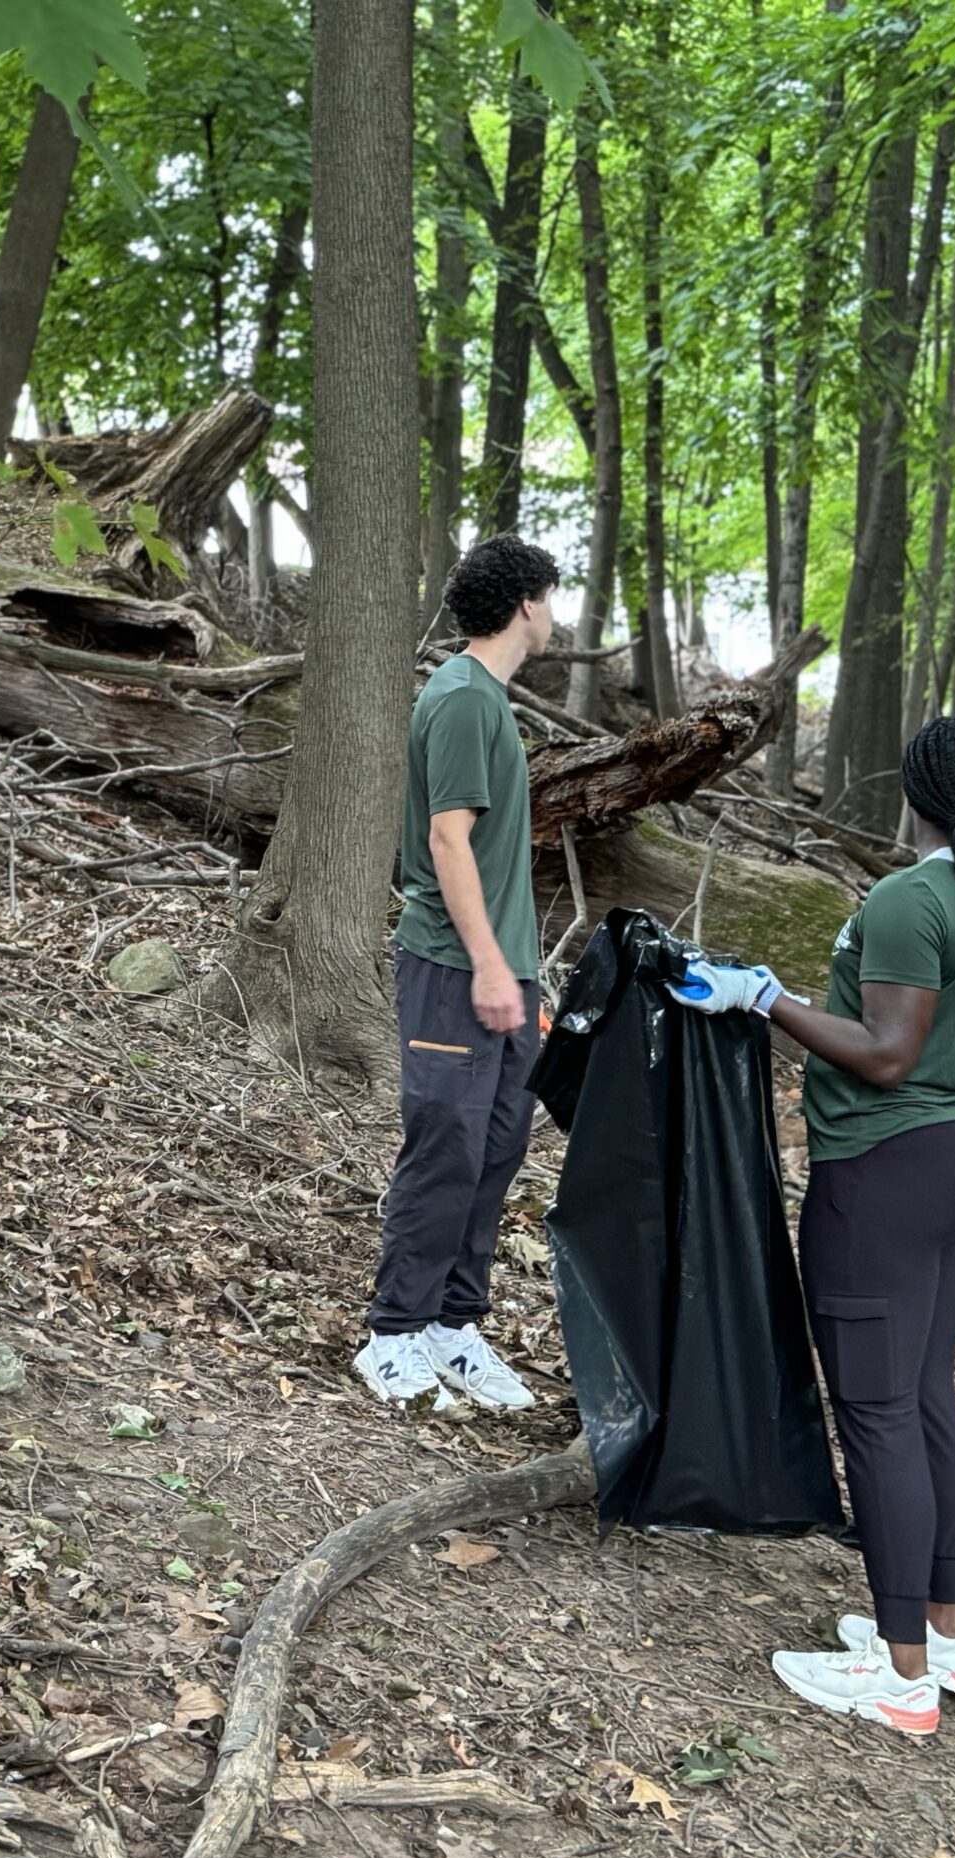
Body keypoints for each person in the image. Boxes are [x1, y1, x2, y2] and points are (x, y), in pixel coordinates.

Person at [668, 715, 955, 1736]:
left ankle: (900, 1675)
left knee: (876, 1415)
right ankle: (949, 1639)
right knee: (920, 1401)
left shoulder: (916, 892)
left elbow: (884, 1052)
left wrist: (763, 996)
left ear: (914, 789)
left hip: (886, 1172)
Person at [354, 535, 559, 1413]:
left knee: (496, 1150)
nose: (557, 613)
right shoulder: (463, 699)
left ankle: (452, 1324)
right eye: (552, 596)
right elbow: (447, 840)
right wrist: (484, 968)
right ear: (526, 605)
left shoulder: (489, 702)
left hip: (507, 972)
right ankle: (393, 1334)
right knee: (445, 1150)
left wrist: (517, 973)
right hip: (454, 968)